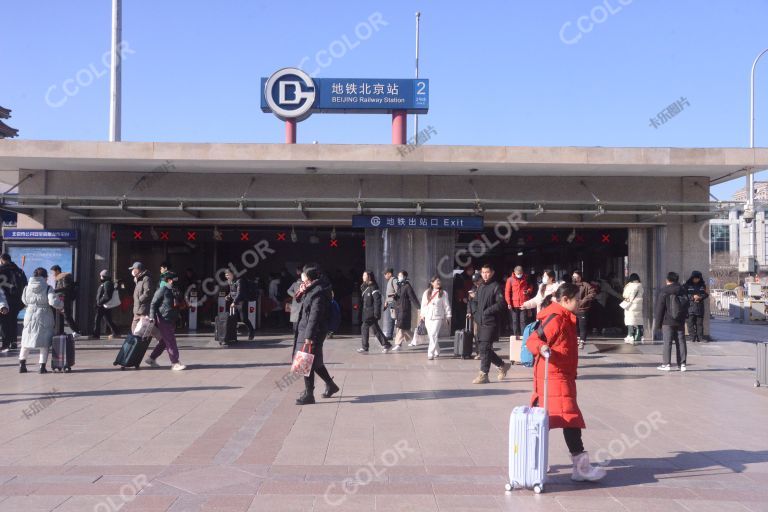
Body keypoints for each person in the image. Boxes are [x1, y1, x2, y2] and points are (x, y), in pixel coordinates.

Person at [525, 283, 607, 482]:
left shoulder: (566, 318)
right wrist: (543, 348)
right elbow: (533, 340)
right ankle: (580, 468)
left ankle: (536, 461)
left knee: (546, 422)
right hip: (554, 377)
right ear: (565, 300)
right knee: (570, 420)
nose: (579, 302)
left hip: (561, 376)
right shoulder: (556, 318)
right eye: (577, 299)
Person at [293, 264, 340, 405]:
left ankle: (309, 394)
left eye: (304, 278)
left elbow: (315, 315)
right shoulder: (311, 289)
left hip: (312, 331)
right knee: (315, 361)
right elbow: (300, 301)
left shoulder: (318, 292)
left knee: (305, 362)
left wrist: (309, 336)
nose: (302, 281)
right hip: (309, 330)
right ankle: (331, 386)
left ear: (310, 278)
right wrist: (302, 291)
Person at [472, 264, 512, 384]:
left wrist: (486, 312)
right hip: (480, 321)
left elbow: (501, 304)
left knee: (484, 347)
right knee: (484, 348)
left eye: (487, 272)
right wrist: (475, 312)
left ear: (492, 272)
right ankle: (502, 365)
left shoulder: (496, 287)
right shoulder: (480, 287)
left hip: (490, 322)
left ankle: (484, 374)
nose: (485, 274)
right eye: (483, 272)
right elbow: (474, 301)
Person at [19, 268, 59, 374]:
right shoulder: (47, 288)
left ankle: (22, 365)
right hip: (44, 315)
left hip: (29, 314)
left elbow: (24, 300)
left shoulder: (26, 287)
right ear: (45, 277)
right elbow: (53, 302)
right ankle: (42, 367)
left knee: (26, 341)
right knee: (44, 342)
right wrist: (61, 305)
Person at [145, 271, 186, 371]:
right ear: (169, 280)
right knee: (170, 340)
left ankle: (151, 358)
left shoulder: (175, 290)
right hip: (163, 318)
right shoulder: (162, 290)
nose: (177, 281)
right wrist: (151, 317)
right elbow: (153, 304)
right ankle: (175, 363)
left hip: (172, 318)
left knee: (164, 341)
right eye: (175, 280)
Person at [654, 271, 689, 372]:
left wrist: (658, 324)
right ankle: (682, 364)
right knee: (681, 341)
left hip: (667, 320)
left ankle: (666, 364)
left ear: (667, 280)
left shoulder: (664, 290)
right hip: (680, 320)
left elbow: (660, 308)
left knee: (667, 342)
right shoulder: (683, 289)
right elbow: (687, 304)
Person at [357, 271, 392, 353]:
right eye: (363, 275)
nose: (363, 276)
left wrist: (377, 312)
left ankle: (365, 347)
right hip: (367, 312)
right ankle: (386, 344)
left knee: (364, 327)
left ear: (369, 277)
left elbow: (377, 301)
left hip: (371, 312)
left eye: (364, 275)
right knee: (375, 330)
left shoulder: (373, 287)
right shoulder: (366, 287)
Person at [420, 275, 451, 360]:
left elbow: (446, 306)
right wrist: (422, 315)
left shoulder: (443, 293)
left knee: (433, 334)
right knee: (431, 336)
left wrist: (448, 316)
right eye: (437, 281)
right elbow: (423, 305)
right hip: (428, 316)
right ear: (432, 283)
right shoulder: (426, 292)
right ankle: (437, 350)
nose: (438, 283)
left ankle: (430, 353)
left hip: (438, 317)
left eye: (439, 281)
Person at [0, 253, 27, 352]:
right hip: (17, 301)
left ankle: (5, 343)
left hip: (4, 300)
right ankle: (14, 342)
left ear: (2, 260)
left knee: (4, 322)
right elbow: (25, 284)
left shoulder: (1, 270)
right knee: (13, 321)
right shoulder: (19, 270)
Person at [392, 270, 420, 350]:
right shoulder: (399, 286)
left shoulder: (407, 286)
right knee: (405, 328)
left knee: (400, 326)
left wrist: (419, 307)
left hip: (405, 309)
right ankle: (415, 339)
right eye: (398, 276)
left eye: (400, 276)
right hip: (399, 309)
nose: (399, 277)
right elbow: (399, 298)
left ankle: (398, 344)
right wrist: (395, 297)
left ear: (405, 277)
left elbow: (413, 297)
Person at [50, 265, 80, 338]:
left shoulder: (64, 276)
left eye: (53, 272)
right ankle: (61, 332)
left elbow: (67, 287)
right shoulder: (59, 278)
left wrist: (55, 290)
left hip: (65, 298)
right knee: (60, 315)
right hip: (60, 298)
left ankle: (76, 331)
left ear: (57, 271)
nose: (52, 274)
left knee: (67, 315)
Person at [224, 270, 256, 340]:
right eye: (226, 275)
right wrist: (228, 296)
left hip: (242, 302)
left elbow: (240, 293)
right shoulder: (231, 282)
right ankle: (232, 335)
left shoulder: (239, 281)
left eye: (228, 275)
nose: (227, 277)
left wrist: (234, 302)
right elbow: (232, 291)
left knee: (244, 319)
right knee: (233, 318)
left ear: (232, 274)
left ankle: (251, 331)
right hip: (235, 302)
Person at [506, 265, 533, 340]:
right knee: (514, 321)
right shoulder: (510, 280)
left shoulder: (526, 278)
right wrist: (508, 303)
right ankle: (516, 336)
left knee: (523, 320)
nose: (519, 274)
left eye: (520, 273)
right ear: (514, 272)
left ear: (522, 272)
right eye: (518, 273)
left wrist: (528, 291)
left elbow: (531, 286)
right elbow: (507, 292)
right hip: (514, 304)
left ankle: (523, 337)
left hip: (523, 303)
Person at [91, 270, 119, 340]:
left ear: (104, 276)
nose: (100, 277)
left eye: (101, 276)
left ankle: (96, 335)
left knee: (97, 319)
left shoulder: (107, 283)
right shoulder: (105, 283)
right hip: (103, 304)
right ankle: (116, 332)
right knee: (108, 319)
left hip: (103, 305)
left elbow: (107, 296)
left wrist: (99, 302)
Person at [571, 270, 595, 350]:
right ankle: (577, 340)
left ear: (580, 277)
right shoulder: (571, 285)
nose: (575, 278)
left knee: (582, 326)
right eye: (573, 277)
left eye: (576, 277)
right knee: (575, 326)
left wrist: (584, 300)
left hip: (582, 309)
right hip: (573, 309)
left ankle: (582, 341)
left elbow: (592, 293)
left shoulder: (585, 285)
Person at [684, 270, 709, 343]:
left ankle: (700, 337)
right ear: (692, 278)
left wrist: (700, 297)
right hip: (690, 308)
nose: (696, 279)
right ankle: (692, 337)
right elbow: (684, 295)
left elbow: (706, 294)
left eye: (698, 278)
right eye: (695, 278)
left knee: (699, 323)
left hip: (699, 307)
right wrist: (692, 297)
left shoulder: (702, 285)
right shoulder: (686, 285)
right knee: (690, 323)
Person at [130, 262, 154, 334]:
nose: (132, 271)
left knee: (141, 329)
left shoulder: (146, 279)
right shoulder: (138, 279)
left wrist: (140, 300)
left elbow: (148, 292)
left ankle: (161, 339)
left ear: (138, 269)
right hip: (137, 308)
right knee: (136, 329)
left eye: (133, 269)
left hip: (143, 308)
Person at [622, 274, 644, 345]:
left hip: (631, 305)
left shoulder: (629, 285)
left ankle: (630, 335)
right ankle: (640, 335)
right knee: (638, 320)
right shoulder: (640, 285)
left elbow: (625, 295)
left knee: (630, 320)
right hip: (638, 305)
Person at [286, 265, 304, 335]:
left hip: (297, 302)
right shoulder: (296, 283)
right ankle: (297, 331)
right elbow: (288, 290)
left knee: (296, 318)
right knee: (298, 318)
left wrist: (294, 295)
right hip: (299, 302)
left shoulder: (295, 283)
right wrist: (295, 295)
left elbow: (288, 290)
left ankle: (296, 331)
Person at [382, 268, 397, 341]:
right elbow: (388, 293)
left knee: (392, 319)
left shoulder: (393, 280)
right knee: (391, 319)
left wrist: (391, 297)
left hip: (393, 303)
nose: (384, 275)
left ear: (390, 274)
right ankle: (389, 334)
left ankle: (390, 335)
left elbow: (397, 291)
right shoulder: (389, 281)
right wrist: (386, 302)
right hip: (390, 303)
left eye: (385, 274)